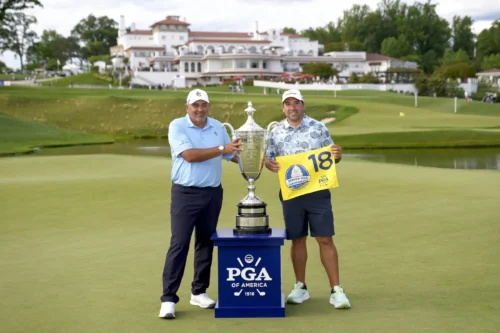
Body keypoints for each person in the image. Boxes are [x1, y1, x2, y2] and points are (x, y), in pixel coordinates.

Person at [264, 89, 351, 309]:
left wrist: (337, 156)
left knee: (324, 238)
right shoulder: (276, 133)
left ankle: (336, 290)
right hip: (291, 194)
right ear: (283, 107)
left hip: (317, 192)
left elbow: (331, 157)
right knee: (298, 239)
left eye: (296, 103)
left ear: (303, 105)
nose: (292, 107)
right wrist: (267, 163)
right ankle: (300, 286)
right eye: (287, 103)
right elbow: (269, 159)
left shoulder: (318, 128)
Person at [159, 89, 241, 319]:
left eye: (203, 104)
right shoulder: (177, 126)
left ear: (208, 106)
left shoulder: (217, 127)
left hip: (213, 193)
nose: (199, 109)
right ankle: (168, 298)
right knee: (180, 243)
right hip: (185, 194)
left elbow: (231, 155)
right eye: (195, 105)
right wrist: (221, 149)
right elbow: (189, 155)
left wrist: (257, 158)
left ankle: (199, 291)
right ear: (187, 108)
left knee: (206, 242)